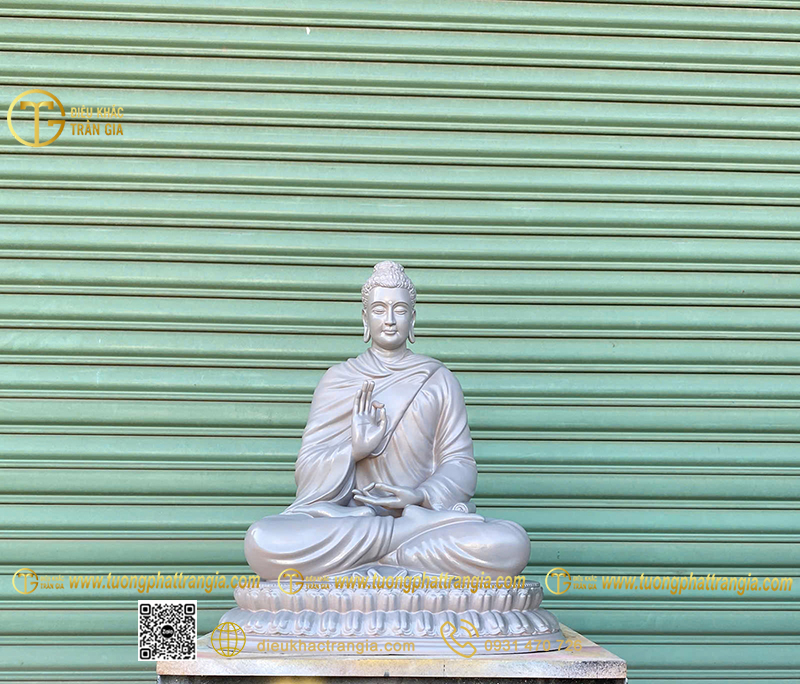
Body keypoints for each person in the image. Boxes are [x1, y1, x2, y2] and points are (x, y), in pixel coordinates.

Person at [244, 261, 531, 579]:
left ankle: (384, 553)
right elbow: (307, 472)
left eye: (400, 310)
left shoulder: (438, 380)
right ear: (365, 318)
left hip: (412, 518)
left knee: (509, 543)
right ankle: (403, 549)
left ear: (413, 319)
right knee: (263, 539)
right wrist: (354, 450)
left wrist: (420, 496)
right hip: (357, 521)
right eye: (379, 309)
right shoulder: (338, 380)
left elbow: (460, 464)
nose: (390, 320)